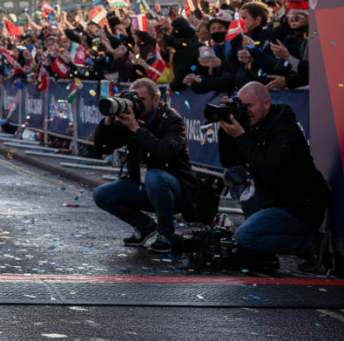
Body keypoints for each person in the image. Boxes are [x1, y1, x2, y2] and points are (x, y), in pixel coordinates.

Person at [217, 82, 329, 272]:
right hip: (275, 199)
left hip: (300, 207)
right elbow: (229, 160)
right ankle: (263, 254)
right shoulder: (257, 124)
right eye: (241, 106)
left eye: (249, 106)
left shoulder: (285, 129)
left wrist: (242, 137)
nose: (246, 112)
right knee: (238, 184)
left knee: (245, 236)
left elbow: (267, 169)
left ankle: (307, 243)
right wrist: (225, 127)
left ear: (266, 103)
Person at [92, 78, 201, 253]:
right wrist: (108, 121)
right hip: (145, 190)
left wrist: (136, 129)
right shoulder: (129, 120)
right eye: (131, 99)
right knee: (101, 194)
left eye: (140, 100)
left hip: (177, 191)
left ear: (155, 100)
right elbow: (100, 149)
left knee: (154, 176)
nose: (135, 105)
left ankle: (165, 235)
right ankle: (144, 226)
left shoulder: (172, 120)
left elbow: (167, 151)